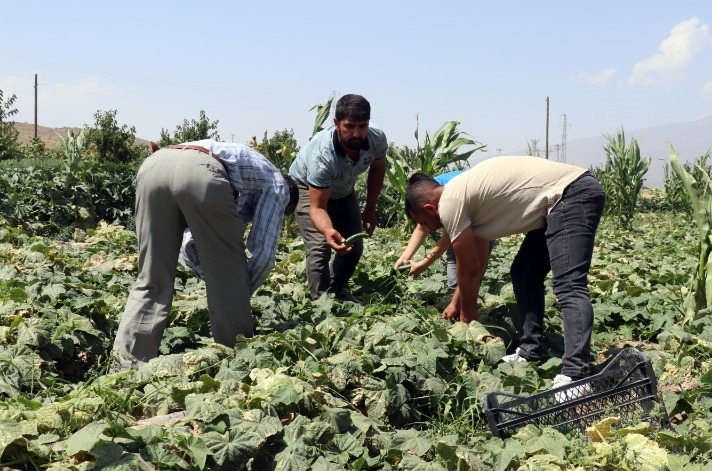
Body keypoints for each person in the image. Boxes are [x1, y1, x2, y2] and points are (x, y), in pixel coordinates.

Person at [404, 156, 605, 391]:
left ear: (429, 208)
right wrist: (461, 305)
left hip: (572, 193)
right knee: (524, 272)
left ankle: (576, 375)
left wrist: (469, 316)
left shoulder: (450, 201)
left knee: (569, 284)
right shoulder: (466, 199)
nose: (429, 228)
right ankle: (530, 350)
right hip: (557, 201)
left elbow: (467, 268)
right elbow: (475, 264)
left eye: (425, 222)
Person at [113, 140, 299, 369]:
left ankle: (124, 368)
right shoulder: (278, 184)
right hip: (201, 170)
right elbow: (264, 254)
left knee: (151, 279)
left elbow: (188, 248)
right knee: (229, 280)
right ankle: (237, 366)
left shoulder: (245, 182)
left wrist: (211, 278)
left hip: (154, 167)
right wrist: (237, 291)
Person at [289, 94, 387, 299]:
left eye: (362, 126)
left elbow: (378, 168)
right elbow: (317, 208)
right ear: (336, 123)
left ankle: (335, 291)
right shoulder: (323, 156)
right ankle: (320, 305)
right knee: (320, 247)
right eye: (349, 126)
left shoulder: (376, 138)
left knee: (354, 245)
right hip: (307, 188)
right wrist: (327, 230)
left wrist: (369, 209)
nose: (357, 133)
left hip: (343, 190)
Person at [394, 170, 494, 290]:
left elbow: (448, 238)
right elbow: (422, 228)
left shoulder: (448, 196)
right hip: (465, 213)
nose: (430, 228)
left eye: (425, 222)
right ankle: (457, 296)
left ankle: (465, 300)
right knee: (454, 257)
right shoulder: (427, 193)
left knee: (473, 265)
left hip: (481, 216)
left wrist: (424, 264)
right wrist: (405, 258)